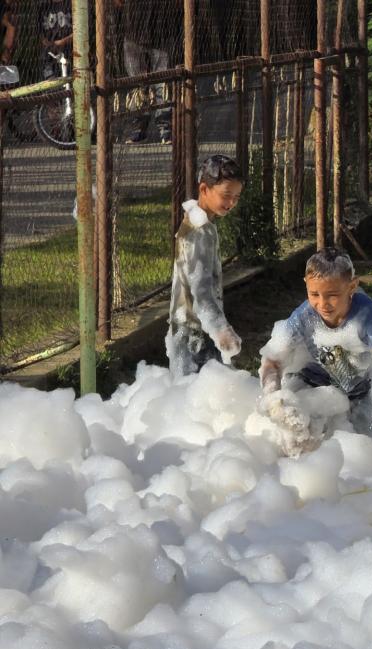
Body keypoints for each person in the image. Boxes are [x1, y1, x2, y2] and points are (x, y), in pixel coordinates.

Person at [258, 247, 372, 468]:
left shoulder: (367, 315)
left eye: (332, 295)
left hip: (355, 397)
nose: (322, 304)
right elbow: (272, 361)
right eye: (314, 294)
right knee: (296, 447)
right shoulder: (303, 316)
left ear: (352, 286)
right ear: (306, 284)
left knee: (354, 460)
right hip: (309, 387)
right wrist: (274, 400)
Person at [166, 155, 243, 377]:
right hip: (193, 332)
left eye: (236, 197)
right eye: (226, 195)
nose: (231, 203)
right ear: (204, 189)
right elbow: (200, 291)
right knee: (196, 390)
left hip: (193, 326)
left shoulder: (198, 224)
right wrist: (221, 330)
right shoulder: (199, 232)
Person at [114, 0, 176, 143]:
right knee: (138, 85)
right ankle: (139, 128)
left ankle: (165, 129)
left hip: (159, 32)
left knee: (162, 83)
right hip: (134, 33)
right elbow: (118, 3)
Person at [37, 0, 72, 80]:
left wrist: (63, 42)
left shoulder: (71, 4)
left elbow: (78, 31)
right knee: (51, 81)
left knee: (69, 79)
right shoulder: (44, 7)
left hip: (69, 50)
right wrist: (48, 44)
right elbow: (40, 34)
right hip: (49, 53)